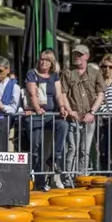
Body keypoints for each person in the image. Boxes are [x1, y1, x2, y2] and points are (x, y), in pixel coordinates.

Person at [60, 44, 104, 183]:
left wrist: (92, 112)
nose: (77, 57)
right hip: (73, 117)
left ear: (87, 56)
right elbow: (63, 93)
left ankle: (82, 179)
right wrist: (69, 110)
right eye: (75, 54)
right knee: (72, 149)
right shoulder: (68, 72)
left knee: (85, 150)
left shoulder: (95, 73)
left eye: (80, 54)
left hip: (89, 117)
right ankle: (68, 179)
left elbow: (101, 94)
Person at [25, 49, 68, 189]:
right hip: (36, 115)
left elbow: (58, 94)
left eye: (47, 60)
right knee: (36, 147)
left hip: (50, 115)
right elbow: (32, 94)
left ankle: (54, 158)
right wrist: (37, 108)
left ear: (52, 63)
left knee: (63, 125)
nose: (43, 61)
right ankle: (39, 181)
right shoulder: (32, 73)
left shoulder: (54, 75)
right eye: (41, 58)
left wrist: (62, 107)